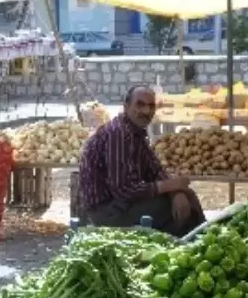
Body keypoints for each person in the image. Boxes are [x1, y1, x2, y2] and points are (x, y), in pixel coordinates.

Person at [77, 85, 206, 236]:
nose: (146, 111)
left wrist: (175, 191)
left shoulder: (135, 132)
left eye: (151, 106)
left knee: (185, 196)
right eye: (140, 104)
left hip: (122, 204)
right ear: (126, 106)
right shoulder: (119, 134)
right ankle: (192, 247)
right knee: (183, 208)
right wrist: (170, 186)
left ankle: (191, 243)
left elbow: (155, 170)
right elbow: (124, 190)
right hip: (108, 211)